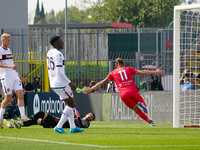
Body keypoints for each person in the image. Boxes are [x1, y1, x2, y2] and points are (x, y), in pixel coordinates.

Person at [84, 58, 165, 126]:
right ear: (123, 63)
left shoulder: (113, 72)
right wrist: (155, 72)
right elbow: (142, 72)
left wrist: (91, 89)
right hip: (132, 90)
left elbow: (102, 82)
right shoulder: (129, 68)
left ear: (116, 65)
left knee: (136, 109)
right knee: (143, 106)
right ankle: (142, 105)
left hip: (123, 94)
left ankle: (150, 121)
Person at [47, 36, 84, 134]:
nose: (62, 43)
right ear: (55, 44)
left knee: (69, 104)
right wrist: (70, 82)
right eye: (60, 42)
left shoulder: (49, 52)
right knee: (71, 104)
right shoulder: (58, 54)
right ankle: (59, 126)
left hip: (53, 83)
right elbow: (59, 71)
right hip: (60, 83)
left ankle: (73, 127)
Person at [0, 33, 30, 129]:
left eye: (9, 40)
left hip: (13, 75)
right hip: (5, 76)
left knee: (20, 94)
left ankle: (23, 116)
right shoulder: (0, 50)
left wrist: (16, 73)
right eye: (7, 40)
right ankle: (0, 118)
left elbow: (11, 62)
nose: (9, 42)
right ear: (3, 40)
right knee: (8, 98)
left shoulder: (9, 50)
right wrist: (10, 67)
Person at [5, 108, 95, 129]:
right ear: (87, 114)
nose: (90, 116)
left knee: (41, 114)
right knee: (38, 121)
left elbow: (81, 125)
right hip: (58, 123)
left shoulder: (86, 123)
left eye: (91, 117)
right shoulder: (76, 117)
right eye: (90, 114)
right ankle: (18, 124)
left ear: (91, 120)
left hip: (59, 123)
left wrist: (78, 115)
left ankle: (24, 120)